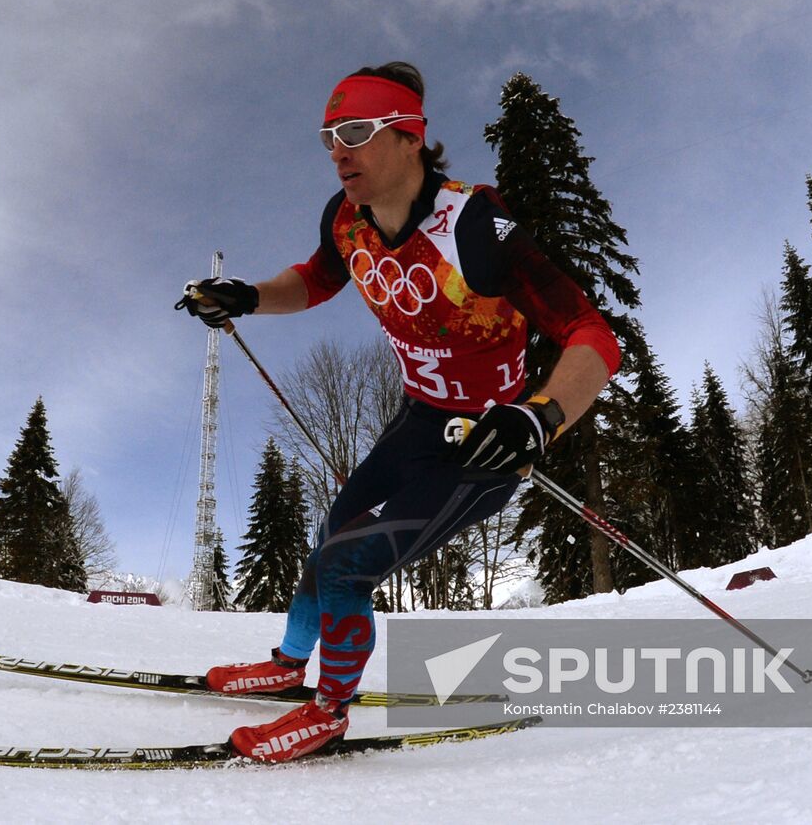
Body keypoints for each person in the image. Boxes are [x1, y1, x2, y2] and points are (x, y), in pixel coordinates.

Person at [176, 61, 620, 763]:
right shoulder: (345, 220)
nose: (337, 151)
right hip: (419, 421)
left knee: (349, 565)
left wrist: (540, 416)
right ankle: (291, 665)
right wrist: (248, 296)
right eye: (328, 135)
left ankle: (328, 714)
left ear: (411, 137)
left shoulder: (475, 223)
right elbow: (320, 278)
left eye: (356, 131)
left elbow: (593, 335)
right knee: (329, 538)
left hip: (483, 443)